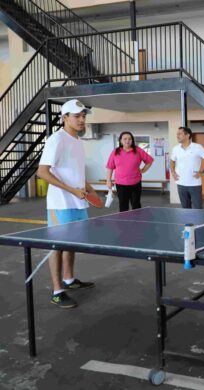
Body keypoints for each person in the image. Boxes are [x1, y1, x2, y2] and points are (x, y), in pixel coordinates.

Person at [36, 99, 97, 309]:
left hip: (78, 202)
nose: (81, 120)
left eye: (84, 116)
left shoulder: (78, 142)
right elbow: (42, 172)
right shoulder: (57, 139)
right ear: (65, 118)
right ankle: (57, 290)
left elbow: (75, 172)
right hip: (61, 203)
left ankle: (69, 280)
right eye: (77, 116)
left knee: (72, 244)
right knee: (57, 247)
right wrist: (72, 190)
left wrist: (89, 187)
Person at [106, 131, 154, 212]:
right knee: (123, 206)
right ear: (121, 140)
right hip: (120, 184)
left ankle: (137, 222)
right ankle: (124, 223)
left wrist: (143, 170)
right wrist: (108, 180)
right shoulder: (115, 152)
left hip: (135, 184)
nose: (127, 141)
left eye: (129, 139)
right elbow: (110, 167)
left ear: (132, 140)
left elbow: (149, 161)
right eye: (125, 139)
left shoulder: (138, 150)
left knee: (136, 205)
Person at [170, 126, 204, 209]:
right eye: (177, 134)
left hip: (194, 184)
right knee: (185, 209)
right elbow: (172, 161)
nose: (177, 136)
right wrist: (172, 172)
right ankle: (188, 223)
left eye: (180, 134)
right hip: (181, 184)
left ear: (187, 135)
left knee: (198, 208)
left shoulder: (197, 147)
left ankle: (199, 223)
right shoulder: (175, 149)